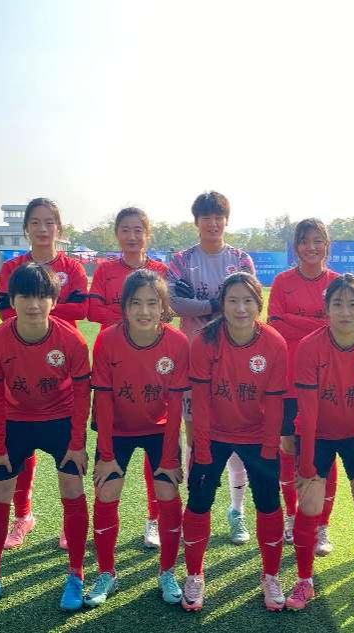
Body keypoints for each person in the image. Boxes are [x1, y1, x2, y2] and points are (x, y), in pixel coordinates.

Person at [0, 263, 90, 616]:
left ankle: (76, 574)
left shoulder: (72, 340)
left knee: (72, 488)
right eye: (24, 296)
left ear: (54, 300)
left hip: (60, 420)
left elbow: (83, 396)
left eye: (41, 296)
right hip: (16, 422)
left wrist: (77, 444)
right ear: (12, 300)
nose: (33, 305)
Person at [180, 273, 287, 612]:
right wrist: (202, 446)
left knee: (268, 504)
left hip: (257, 436)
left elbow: (275, 404)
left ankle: (271, 575)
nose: (241, 308)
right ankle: (195, 575)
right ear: (222, 304)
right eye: (232, 301)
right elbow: (200, 401)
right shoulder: (204, 341)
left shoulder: (274, 343)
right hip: (214, 434)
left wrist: (269, 448)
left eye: (248, 301)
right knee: (199, 502)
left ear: (259, 304)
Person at [285, 274, 354, 613]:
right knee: (310, 505)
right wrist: (306, 465)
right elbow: (308, 412)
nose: (346, 312)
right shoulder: (310, 347)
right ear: (326, 308)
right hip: (315, 434)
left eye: (353, 304)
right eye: (338, 304)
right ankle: (304, 581)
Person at [85, 270, 190, 607]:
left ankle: (167, 571)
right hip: (118, 429)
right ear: (124, 307)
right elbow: (102, 401)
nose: (144, 311)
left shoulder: (177, 343)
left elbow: (175, 406)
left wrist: (170, 459)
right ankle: (106, 573)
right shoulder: (108, 340)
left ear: (164, 307)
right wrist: (106, 455)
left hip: (160, 428)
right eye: (136, 303)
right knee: (107, 489)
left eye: (152, 303)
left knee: (167, 490)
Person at [0, 198, 89, 551]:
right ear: (26, 228)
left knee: (68, 453)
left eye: (50, 222)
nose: (43, 228)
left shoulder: (72, 267)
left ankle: (69, 523)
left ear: (59, 228)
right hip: (20, 364)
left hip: (62, 365)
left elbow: (83, 308)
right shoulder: (12, 267)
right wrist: (47, 309)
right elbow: (4, 312)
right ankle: (23, 517)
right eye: (35, 222)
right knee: (23, 450)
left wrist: (39, 310)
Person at [167, 191, 256, 544]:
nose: (213, 223)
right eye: (206, 217)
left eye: (218, 217)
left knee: (237, 438)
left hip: (236, 361)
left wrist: (202, 304)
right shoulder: (181, 259)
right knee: (196, 437)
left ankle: (237, 510)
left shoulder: (241, 259)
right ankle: (196, 508)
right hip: (194, 360)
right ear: (196, 222)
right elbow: (174, 302)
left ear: (226, 220)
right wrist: (218, 304)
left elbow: (249, 304)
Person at [87, 207, 170, 549]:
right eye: (125, 229)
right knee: (110, 449)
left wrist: (137, 319)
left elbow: (167, 314)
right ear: (117, 234)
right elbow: (92, 310)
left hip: (153, 366)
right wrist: (131, 320)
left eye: (138, 230)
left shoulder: (161, 271)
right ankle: (103, 525)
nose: (132, 236)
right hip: (114, 364)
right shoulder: (105, 270)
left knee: (156, 459)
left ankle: (154, 520)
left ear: (147, 234)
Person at [267, 218, 340, 554]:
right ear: (296, 246)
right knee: (287, 447)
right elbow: (276, 325)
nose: (311, 247)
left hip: (327, 381)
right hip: (288, 380)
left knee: (324, 450)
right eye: (305, 241)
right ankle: (292, 517)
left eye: (318, 240)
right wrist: (319, 323)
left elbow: (341, 327)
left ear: (327, 245)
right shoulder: (283, 282)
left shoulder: (337, 283)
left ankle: (322, 525)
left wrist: (300, 322)